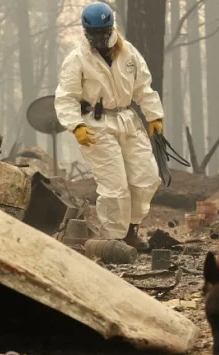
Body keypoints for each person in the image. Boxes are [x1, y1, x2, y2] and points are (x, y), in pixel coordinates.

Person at [54, 1, 164, 251]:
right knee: (114, 186)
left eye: (104, 33)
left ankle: (131, 231)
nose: (100, 39)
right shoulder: (77, 59)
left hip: (127, 119)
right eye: (94, 34)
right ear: (86, 33)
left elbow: (142, 87)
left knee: (146, 177)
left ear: (111, 28)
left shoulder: (128, 53)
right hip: (96, 125)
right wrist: (76, 126)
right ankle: (114, 240)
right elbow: (66, 97)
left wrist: (153, 115)